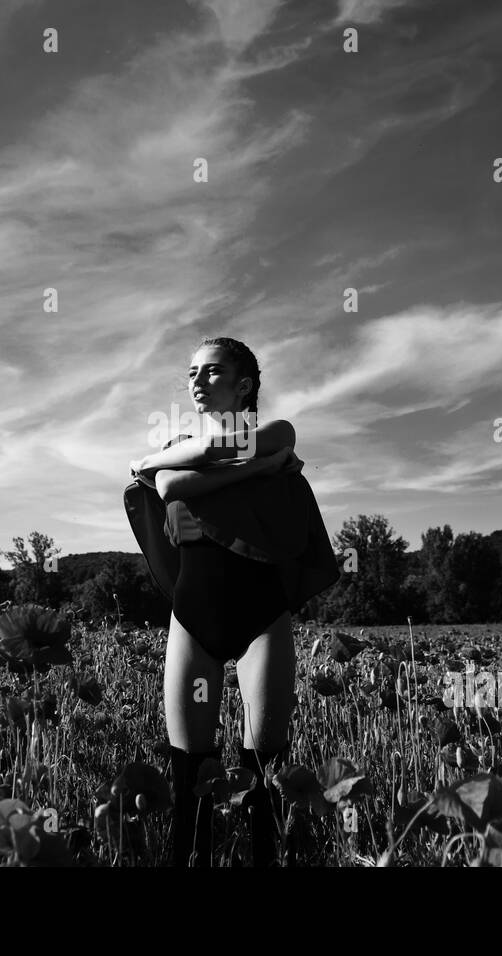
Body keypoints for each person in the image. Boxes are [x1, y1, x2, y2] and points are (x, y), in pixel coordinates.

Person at [124, 336, 339, 866]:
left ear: (244, 385)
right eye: (192, 372)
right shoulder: (199, 448)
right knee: (190, 776)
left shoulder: (277, 432)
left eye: (212, 371)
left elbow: (179, 472)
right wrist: (261, 468)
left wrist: (177, 466)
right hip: (194, 618)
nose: (196, 381)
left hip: (261, 618)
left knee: (264, 775)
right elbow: (173, 480)